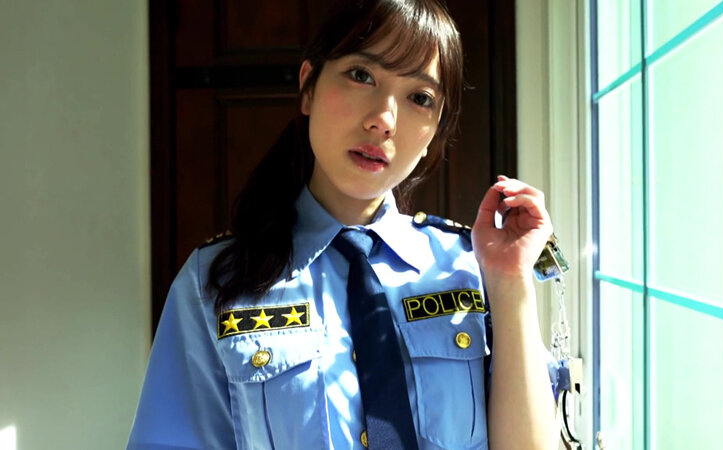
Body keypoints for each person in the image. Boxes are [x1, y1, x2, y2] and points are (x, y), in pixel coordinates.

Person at [128, 0, 559, 448]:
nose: (383, 120)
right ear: (308, 87)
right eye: (361, 75)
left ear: (435, 131)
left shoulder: (471, 269)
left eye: (419, 98)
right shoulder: (214, 282)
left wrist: (510, 283)